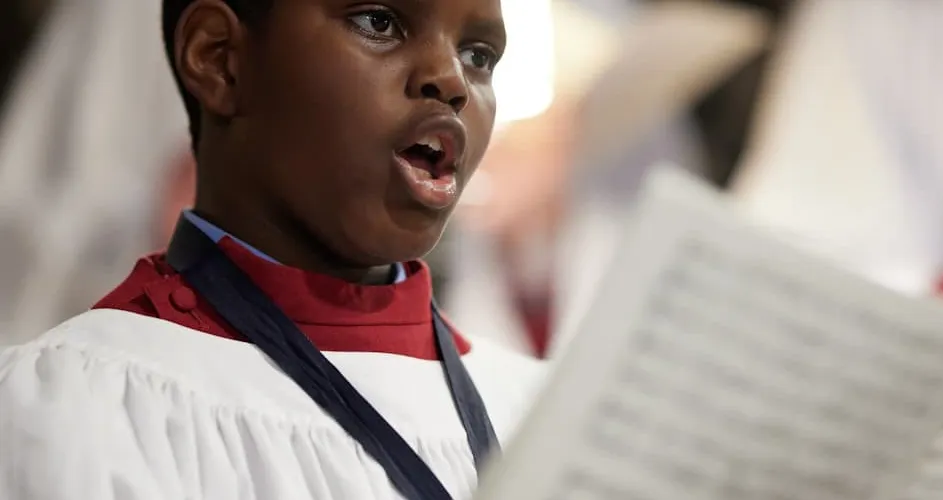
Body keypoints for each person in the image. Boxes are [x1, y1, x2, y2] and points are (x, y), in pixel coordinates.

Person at [0, 0, 543, 498]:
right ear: (220, 59)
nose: (451, 81)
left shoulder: (546, 407)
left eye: (478, 55)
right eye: (379, 22)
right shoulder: (92, 407)